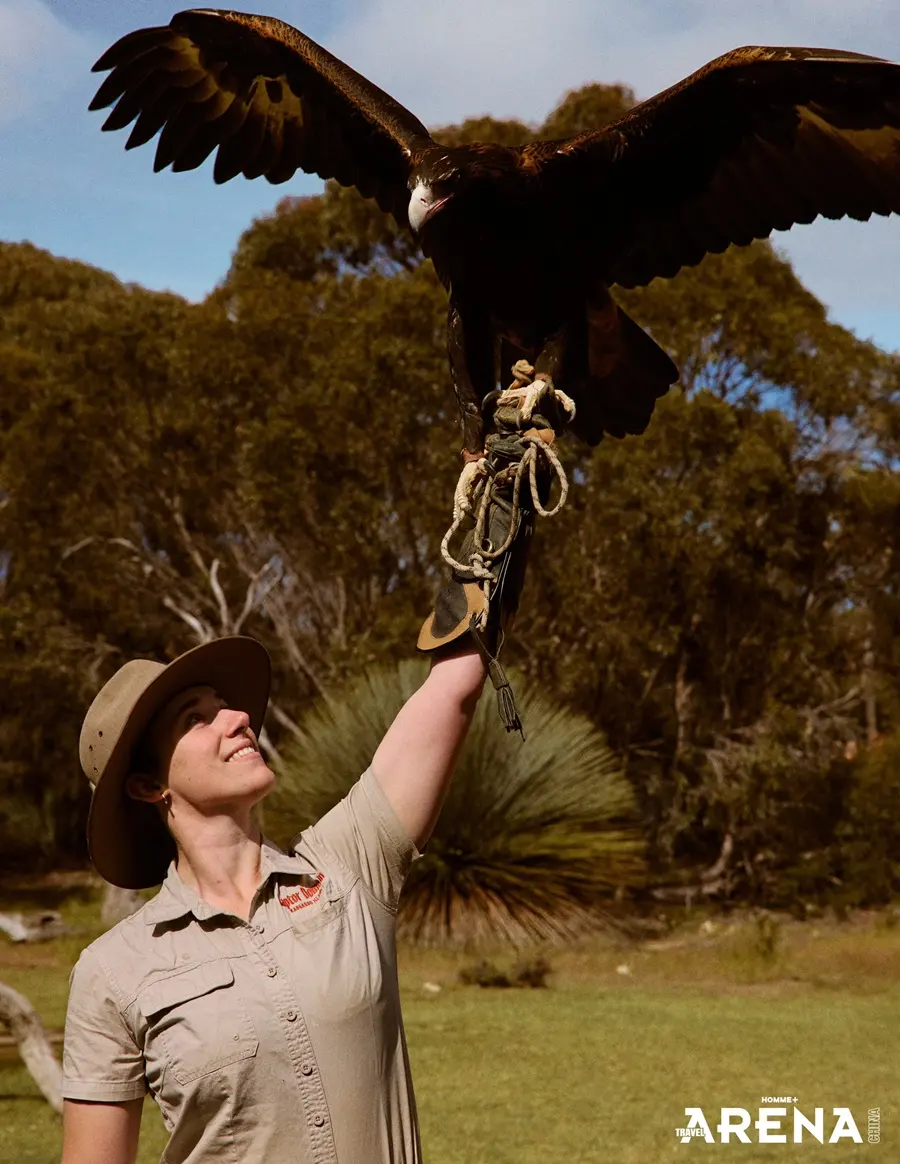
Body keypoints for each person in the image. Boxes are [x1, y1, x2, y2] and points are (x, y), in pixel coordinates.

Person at [59, 401, 547, 1164]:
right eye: (198, 717)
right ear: (149, 786)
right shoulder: (115, 972)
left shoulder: (350, 866)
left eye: (232, 706)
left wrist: (498, 504)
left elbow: (451, 686)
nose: (235, 721)